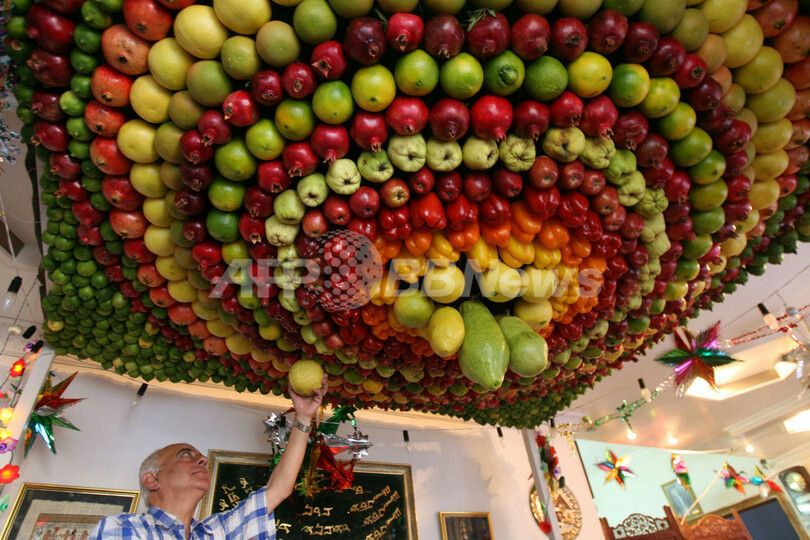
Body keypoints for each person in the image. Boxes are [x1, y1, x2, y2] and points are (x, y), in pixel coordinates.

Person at [89, 377, 328, 539]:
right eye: (186, 455)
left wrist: (304, 417)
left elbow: (278, 489)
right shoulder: (124, 528)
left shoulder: (216, 531)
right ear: (152, 480)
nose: (202, 459)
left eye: (199, 455)